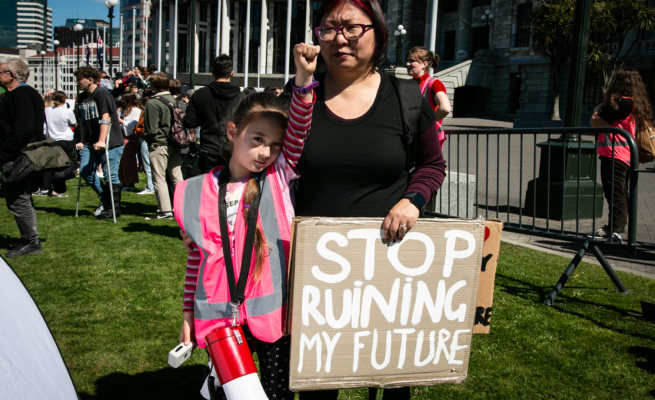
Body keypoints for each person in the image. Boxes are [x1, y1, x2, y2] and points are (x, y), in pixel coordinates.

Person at [292, 1, 446, 399]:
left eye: (350, 27)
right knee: (316, 385)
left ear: (377, 33)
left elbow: (432, 166)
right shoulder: (299, 98)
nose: (339, 38)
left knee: (392, 380)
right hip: (316, 276)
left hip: (389, 270)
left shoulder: (406, 97)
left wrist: (412, 201)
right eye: (327, 28)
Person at [175, 43, 318, 400]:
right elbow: (197, 260)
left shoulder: (278, 177)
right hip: (220, 318)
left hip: (272, 318)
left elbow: (299, 130)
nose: (266, 152)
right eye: (257, 140)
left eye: (274, 144)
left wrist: (303, 78)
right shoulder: (196, 192)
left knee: (274, 393)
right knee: (233, 394)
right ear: (231, 132)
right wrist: (188, 316)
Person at [590, 67, 651, 244]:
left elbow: (596, 121)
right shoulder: (636, 103)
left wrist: (599, 109)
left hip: (615, 154)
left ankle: (615, 230)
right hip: (626, 155)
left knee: (615, 193)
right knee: (620, 192)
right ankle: (616, 226)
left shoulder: (622, 103)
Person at [0, 59, 45, 258]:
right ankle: (29, 238)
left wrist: (5, 152)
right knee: (20, 198)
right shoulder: (19, 94)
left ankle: (31, 241)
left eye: (0, 71)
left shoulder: (21, 94)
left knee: (18, 199)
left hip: (18, 156)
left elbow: (24, 128)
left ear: (11, 74)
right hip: (19, 154)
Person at [74, 65, 125, 220]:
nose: (77, 82)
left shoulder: (102, 94)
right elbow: (82, 121)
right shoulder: (82, 97)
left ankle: (113, 209)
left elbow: (106, 118)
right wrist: (82, 141)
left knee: (110, 176)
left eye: (79, 79)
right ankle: (105, 199)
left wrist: (102, 141)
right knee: (85, 171)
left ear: (90, 80)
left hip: (110, 142)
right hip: (90, 142)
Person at [183, 55, 241, 174]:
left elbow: (189, 121)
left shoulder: (199, 94)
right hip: (233, 149)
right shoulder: (241, 96)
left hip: (208, 150)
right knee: (233, 189)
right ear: (232, 73)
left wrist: (205, 118)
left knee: (209, 188)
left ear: (213, 72)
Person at [143, 72, 183, 219]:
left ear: (154, 85)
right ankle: (183, 206)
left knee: (159, 177)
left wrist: (147, 139)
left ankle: (165, 210)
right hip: (175, 142)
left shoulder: (153, 103)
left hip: (159, 143)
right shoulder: (174, 100)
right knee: (176, 176)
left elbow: (151, 129)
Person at [406, 46, 451, 147]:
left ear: (424, 64)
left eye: (412, 61)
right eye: (407, 60)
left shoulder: (434, 83)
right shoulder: (407, 84)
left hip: (427, 139)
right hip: (411, 138)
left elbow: (445, 108)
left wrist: (425, 125)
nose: (407, 64)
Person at [40, 91, 77, 198]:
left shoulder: (47, 111)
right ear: (64, 100)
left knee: (50, 165)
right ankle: (57, 189)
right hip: (66, 139)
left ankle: (46, 188)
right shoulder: (67, 111)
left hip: (52, 139)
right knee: (63, 166)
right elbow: (73, 123)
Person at [118, 93, 141, 192]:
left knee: (128, 160)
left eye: (124, 99)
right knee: (122, 160)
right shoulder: (124, 110)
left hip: (130, 137)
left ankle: (130, 182)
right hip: (122, 136)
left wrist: (120, 121)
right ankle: (123, 181)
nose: (122, 101)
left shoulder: (136, 110)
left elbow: (133, 125)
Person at [134, 97, 155, 194]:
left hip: (145, 140)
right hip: (146, 140)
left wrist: (136, 130)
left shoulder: (146, 114)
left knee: (148, 163)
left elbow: (143, 129)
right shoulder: (150, 113)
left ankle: (150, 187)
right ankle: (151, 186)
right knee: (150, 164)